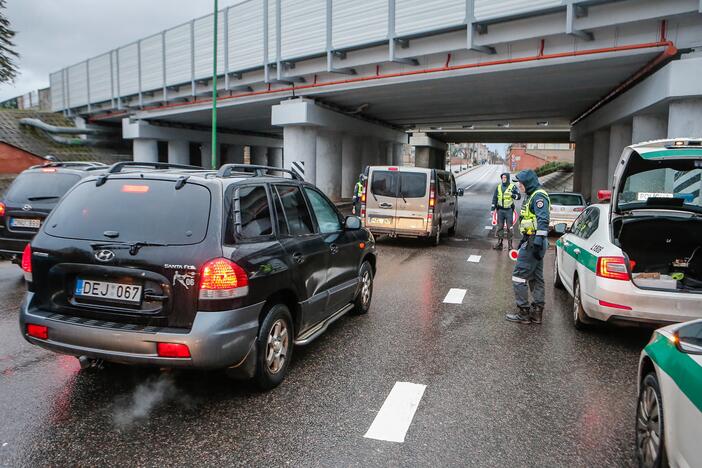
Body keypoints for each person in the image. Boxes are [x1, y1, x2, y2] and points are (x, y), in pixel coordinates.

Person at [505, 169, 550, 325]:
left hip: (534, 243)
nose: (519, 186)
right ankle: (537, 313)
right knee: (536, 278)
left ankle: (523, 312)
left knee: (519, 276)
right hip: (532, 240)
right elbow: (531, 221)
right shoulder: (532, 195)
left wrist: (536, 241)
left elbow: (543, 220)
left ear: (528, 182)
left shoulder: (538, 196)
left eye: (521, 183)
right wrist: (524, 239)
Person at [491, 172, 520, 250]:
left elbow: (519, 196)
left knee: (509, 227)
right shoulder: (499, 187)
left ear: (508, 178)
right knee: (500, 227)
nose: (503, 179)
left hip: (509, 211)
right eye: (502, 178)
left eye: (505, 178)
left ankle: (510, 245)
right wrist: (492, 209)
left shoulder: (512, 187)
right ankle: (499, 243)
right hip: (500, 210)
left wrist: (513, 195)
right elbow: (494, 198)